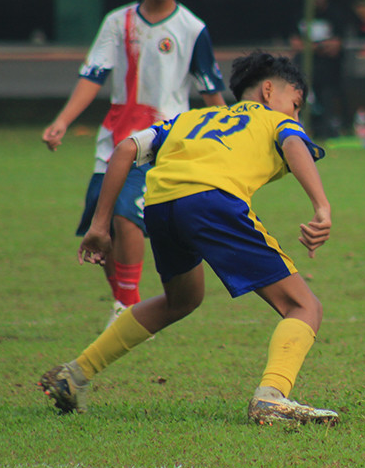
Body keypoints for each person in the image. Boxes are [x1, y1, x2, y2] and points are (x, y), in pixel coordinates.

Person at [39, 51, 339, 427]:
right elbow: (295, 144)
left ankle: (75, 374)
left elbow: (126, 150)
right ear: (268, 90)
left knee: (182, 298)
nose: (295, 116)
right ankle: (272, 398)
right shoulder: (275, 120)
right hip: (213, 202)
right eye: (295, 105)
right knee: (304, 306)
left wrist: (100, 227)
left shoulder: (191, 118)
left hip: (161, 204)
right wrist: (322, 207)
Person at [42, 0, 226, 328]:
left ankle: (128, 308)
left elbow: (211, 91)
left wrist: (230, 138)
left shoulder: (193, 29)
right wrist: (62, 121)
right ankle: (124, 300)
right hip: (113, 140)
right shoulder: (117, 22)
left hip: (162, 139)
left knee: (127, 216)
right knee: (100, 229)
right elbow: (94, 76)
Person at [292, 0, 350, 138]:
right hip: (305, 65)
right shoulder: (299, 14)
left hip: (328, 66)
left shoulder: (335, 14)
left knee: (326, 83)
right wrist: (319, 46)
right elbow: (296, 44)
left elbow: (335, 46)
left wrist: (310, 47)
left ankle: (328, 124)